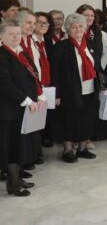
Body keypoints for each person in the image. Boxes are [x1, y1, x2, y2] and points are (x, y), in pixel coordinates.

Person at [0, 20, 43, 197]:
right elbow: (5, 85)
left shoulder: (21, 52)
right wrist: (27, 100)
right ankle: (13, 183)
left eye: (18, 33)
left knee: (20, 145)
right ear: (1, 36)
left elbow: (33, 76)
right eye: (11, 34)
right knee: (10, 147)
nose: (15, 37)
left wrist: (40, 95)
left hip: (24, 108)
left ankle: (17, 177)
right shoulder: (2, 55)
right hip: (9, 111)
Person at [52, 13, 99, 163]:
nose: (78, 29)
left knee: (87, 119)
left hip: (89, 89)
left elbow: (96, 66)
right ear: (68, 29)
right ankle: (68, 150)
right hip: (69, 91)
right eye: (74, 27)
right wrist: (57, 94)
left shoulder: (89, 44)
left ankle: (82, 148)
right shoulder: (61, 47)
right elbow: (55, 72)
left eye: (80, 26)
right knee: (69, 120)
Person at [76, 4, 107, 143]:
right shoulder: (74, 33)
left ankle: (91, 135)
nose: (89, 18)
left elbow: (105, 54)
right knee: (80, 107)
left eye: (92, 15)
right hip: (79, 76)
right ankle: (79, 137)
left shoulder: (101, 34)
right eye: (86, 15)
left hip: (96, 74)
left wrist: (97, 69)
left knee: (93, 106)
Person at [16, 10, 43, 169]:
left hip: (34, 88)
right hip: (20, 91)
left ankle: (29, 157)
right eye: (28, 23)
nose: (32, 26)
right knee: (19, 129)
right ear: (18, 23)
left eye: (34, 23)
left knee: (32, 126)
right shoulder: (13, 42)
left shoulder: (31, 41)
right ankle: (17, 163)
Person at [32, 12, 54, 148]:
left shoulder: (48, 41)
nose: (43, 25)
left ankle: (45, 138)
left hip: (48, 83)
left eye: (46, 23)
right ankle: (35, 147)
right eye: (39, 22)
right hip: (35, 84)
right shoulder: (29, 41)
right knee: (35, 117)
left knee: (46, 114)